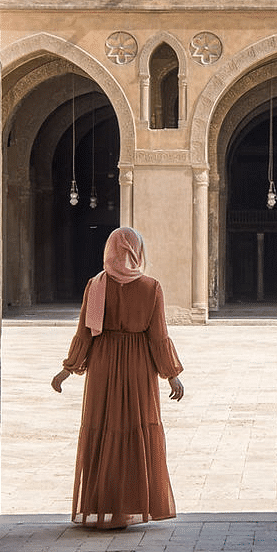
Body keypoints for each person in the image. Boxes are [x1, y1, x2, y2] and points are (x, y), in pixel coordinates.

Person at [51, 226, 185, 529]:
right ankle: (130, 505)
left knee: (103, 432)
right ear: (137, 252)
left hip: (102, 365)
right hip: (139, 368)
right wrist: (171, 375)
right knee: (134, 431)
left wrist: (68, 368)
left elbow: (84, 332)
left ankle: (104, 505)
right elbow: (157, 336)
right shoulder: (151, 287)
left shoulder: (96, 285)